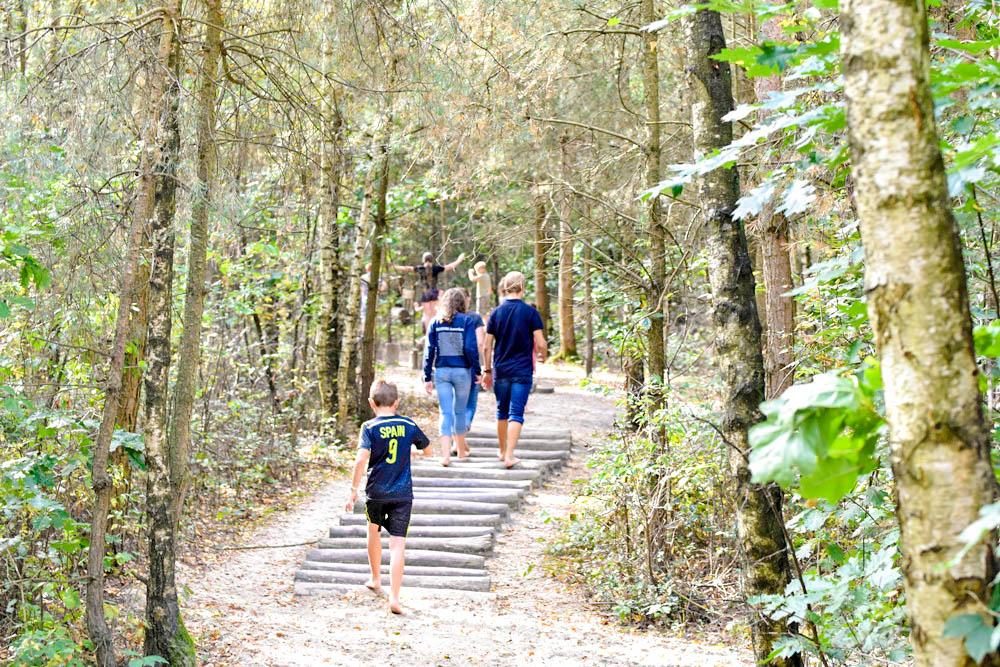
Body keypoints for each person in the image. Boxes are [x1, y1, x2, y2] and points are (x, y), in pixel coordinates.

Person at [345, 380, 430, 615]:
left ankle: (375, 578)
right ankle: (394, 597)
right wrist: (413, 450)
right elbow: (428, 449)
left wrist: (353, 490)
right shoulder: (407, 423)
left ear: (372, 403)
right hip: (403, 493)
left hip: (376, 492)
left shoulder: (369, 427)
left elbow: (361, 459)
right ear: (397, 402)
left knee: (373, 531)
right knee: (397, 544)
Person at [482, 271, 547, 468]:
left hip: (501, 369)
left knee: (502, 411)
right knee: (516, 413)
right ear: (522, 288)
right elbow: (541, 342)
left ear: (504, 288)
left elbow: (486, 346)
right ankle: (510, 455)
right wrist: (543, 354)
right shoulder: (530, 313)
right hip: (522, 370)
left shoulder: (496, 313)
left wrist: (487, 370)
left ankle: (502, 452)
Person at [423, 287, 481, 466]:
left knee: (445, 413)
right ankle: (462, 453)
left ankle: (446, 456)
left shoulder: (435, 322)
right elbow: (471, 348)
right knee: (460, 412)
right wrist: (477, 370)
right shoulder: (467, 321)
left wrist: (426, 376)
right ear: (462, 302)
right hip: (462, 371)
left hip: (441, 372)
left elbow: (429, 350)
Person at [394, 251, 465, 332]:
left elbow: (407, 268)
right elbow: (449, 266)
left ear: (423, 260)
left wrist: (395, 266)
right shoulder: (435, 268)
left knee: (427, 315)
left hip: (425, 295)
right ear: (432, 260)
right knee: (435, 314)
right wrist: (459, 260)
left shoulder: (420, 268)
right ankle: (437, 331)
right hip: (435, 294)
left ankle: (429, 333)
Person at [463, 288, 488, 433]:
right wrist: (483, 365)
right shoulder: (475, 318)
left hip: (453, 365)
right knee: (471, 401)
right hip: (472, 364)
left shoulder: (448, 317)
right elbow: (480, 342)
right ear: (467, 299)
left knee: (457, 403)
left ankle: (457, 437)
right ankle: (465, 425)